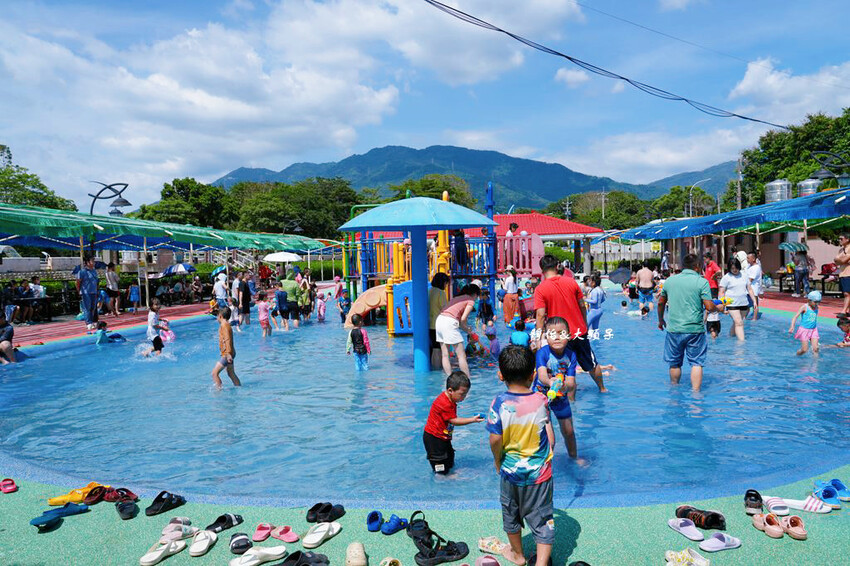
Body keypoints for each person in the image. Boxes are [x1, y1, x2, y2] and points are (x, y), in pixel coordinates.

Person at [486, 346, 554, 566]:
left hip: (511, 473)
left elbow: (495, 439)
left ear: (500, 376)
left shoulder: (499, 403)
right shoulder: (542, 400)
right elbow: (549, 436)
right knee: (543, 518)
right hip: (540, 475)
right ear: (533, 375)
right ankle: (542, 562)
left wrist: (498, 461)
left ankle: (518, 554)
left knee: (511, 515)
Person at [533, 254, 607, 396]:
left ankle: (566, 398)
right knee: (591, 363)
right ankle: (602, 389)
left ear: (542, 270)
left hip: (558, 335)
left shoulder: (540, 289)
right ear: (557, 267)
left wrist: (538, 338)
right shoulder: (572, 282)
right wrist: (584, 324)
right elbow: (582, 306)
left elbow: (540, 315)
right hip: (578, 331)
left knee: (561, 369)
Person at [657, 254, 723, 392]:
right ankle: (696, 396)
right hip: (695, 330)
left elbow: (661, 302)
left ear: (683, 266)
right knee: (697, 363)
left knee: (674, 363)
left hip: (674, 329)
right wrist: (719, 308)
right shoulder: (701, 282)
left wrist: (661, 319)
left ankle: (674, 392)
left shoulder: (670, 281)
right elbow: (709, 307)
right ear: (697, 266)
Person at [534, 317, 583, 462]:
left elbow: (571, 382)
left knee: (568, 431)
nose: (556, 337)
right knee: (549, 439)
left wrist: (563, 386)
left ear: (568, 335)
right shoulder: (542, 353)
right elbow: (542, 375)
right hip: (541, 397)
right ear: (546, 337)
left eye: (561, 333)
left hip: (560, 397)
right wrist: (550, 381)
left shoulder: (571, 355)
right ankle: (543, 462)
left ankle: (574, 458)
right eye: (552, 334)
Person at [424, 370, 483, 475]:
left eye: (466, 394)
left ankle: (448, 473)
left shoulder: (451, 399)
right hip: (434, 439)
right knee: (440, 465)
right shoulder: (444, 403)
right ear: (450, 390)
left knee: (450, 458)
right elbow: (454, 421)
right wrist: (472, 420)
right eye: (462, 394)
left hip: (443, 436)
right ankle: (442, 478)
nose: (464, 397)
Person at [435, 284, 480, 378]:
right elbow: (463, 319)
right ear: (475, 294)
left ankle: (448, 378)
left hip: (439, 320)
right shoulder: (470, 301)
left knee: (445, 354)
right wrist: (469, 330)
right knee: (461, 355)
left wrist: (468, 331)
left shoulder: (457, 298)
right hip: (449, 322)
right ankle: (467, 379)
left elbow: (459, 322)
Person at [719, 258, 757, 341]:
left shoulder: (744, 275)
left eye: (736, 268)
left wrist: (754, 301)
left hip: (743, 303)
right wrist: (723, 305)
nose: (734, 270)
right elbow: (721, 292)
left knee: (737, 322)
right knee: (739, 323)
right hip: (731, 304)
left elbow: (749, 289)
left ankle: (730, 337)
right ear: (729, 268)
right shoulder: (726, 278)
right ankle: (741, 345)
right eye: (732, 268)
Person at [212, 306, 241, 389]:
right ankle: (239, 388)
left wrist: (228, 354)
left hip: (227, 354)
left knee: (214, 373)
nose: (217, 318)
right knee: (231, 374)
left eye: (217, 316)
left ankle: (218, 391)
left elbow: (227, 339)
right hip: (229, 352)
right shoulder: (226, 325)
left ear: (220, 316)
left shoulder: (224, 325)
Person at [788, 291, 821, 356]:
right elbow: (795, 317)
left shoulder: (816, 307)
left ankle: (815, 364)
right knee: (804, 350)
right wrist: (792, 326)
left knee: (816, 348)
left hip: (813, 330)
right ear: (809, 300)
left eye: (818, 302)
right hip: (804, 330)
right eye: (815, 302)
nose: (817, 304)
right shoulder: (804, 307)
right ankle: (796, 355)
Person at [429, 272, 451, 368]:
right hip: (438, 324)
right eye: (446, 283)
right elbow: (445, 309)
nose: (446, 286)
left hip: (429, 324)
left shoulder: (429, 290)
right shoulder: (441, 293)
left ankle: (432, 367)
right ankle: (437, 371)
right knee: (438, 349)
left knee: (433, 348)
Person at [75, 254, 100, 330]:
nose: (94, 262)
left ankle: (92, 321)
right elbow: (78, 282)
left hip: (94, 292)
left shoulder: (94, 271)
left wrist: (97, 290)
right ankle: (88, 322)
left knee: (93, 307)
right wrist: (79, 291)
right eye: (92, 261)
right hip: (86, 292)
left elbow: (97, 282)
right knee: (87, 307)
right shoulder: (82, 272)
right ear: (87, 262)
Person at [834, 233, 850, 315]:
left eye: (841, 239)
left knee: (847, 293)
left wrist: (841, 260)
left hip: (848, 273)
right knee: (846, 293)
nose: (839, 240)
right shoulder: (841, 250)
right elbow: (836, 261)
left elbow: (842, 260)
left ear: (847, 239)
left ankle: (844, 311)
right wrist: (841, 260)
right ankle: (847, 310)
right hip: (843, 273)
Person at [746, 251, 763, 319]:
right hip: (749, 290)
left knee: (755, 305)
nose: (747, 259)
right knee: (747, 305)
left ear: (753, 259)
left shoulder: (756, 267)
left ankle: (754, 318)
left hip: (754, 290)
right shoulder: (749, 266)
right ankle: (745, 317)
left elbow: (751, 279)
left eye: (748, 258)